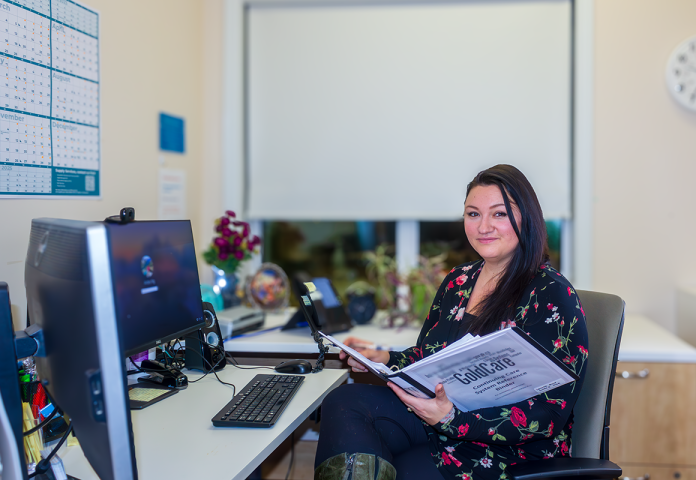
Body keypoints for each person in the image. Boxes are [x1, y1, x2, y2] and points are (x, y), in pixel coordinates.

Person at [314, 165, 589, 480]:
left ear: (527, 218)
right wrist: (385, 358)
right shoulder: (459, 280)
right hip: (439, 426)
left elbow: (548, 414)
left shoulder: (551, 294)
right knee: (345, 401)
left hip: (506, 453)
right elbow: (430, 357)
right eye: (473, 214)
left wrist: (452, 419)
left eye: (498, 214)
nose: (483, 226)